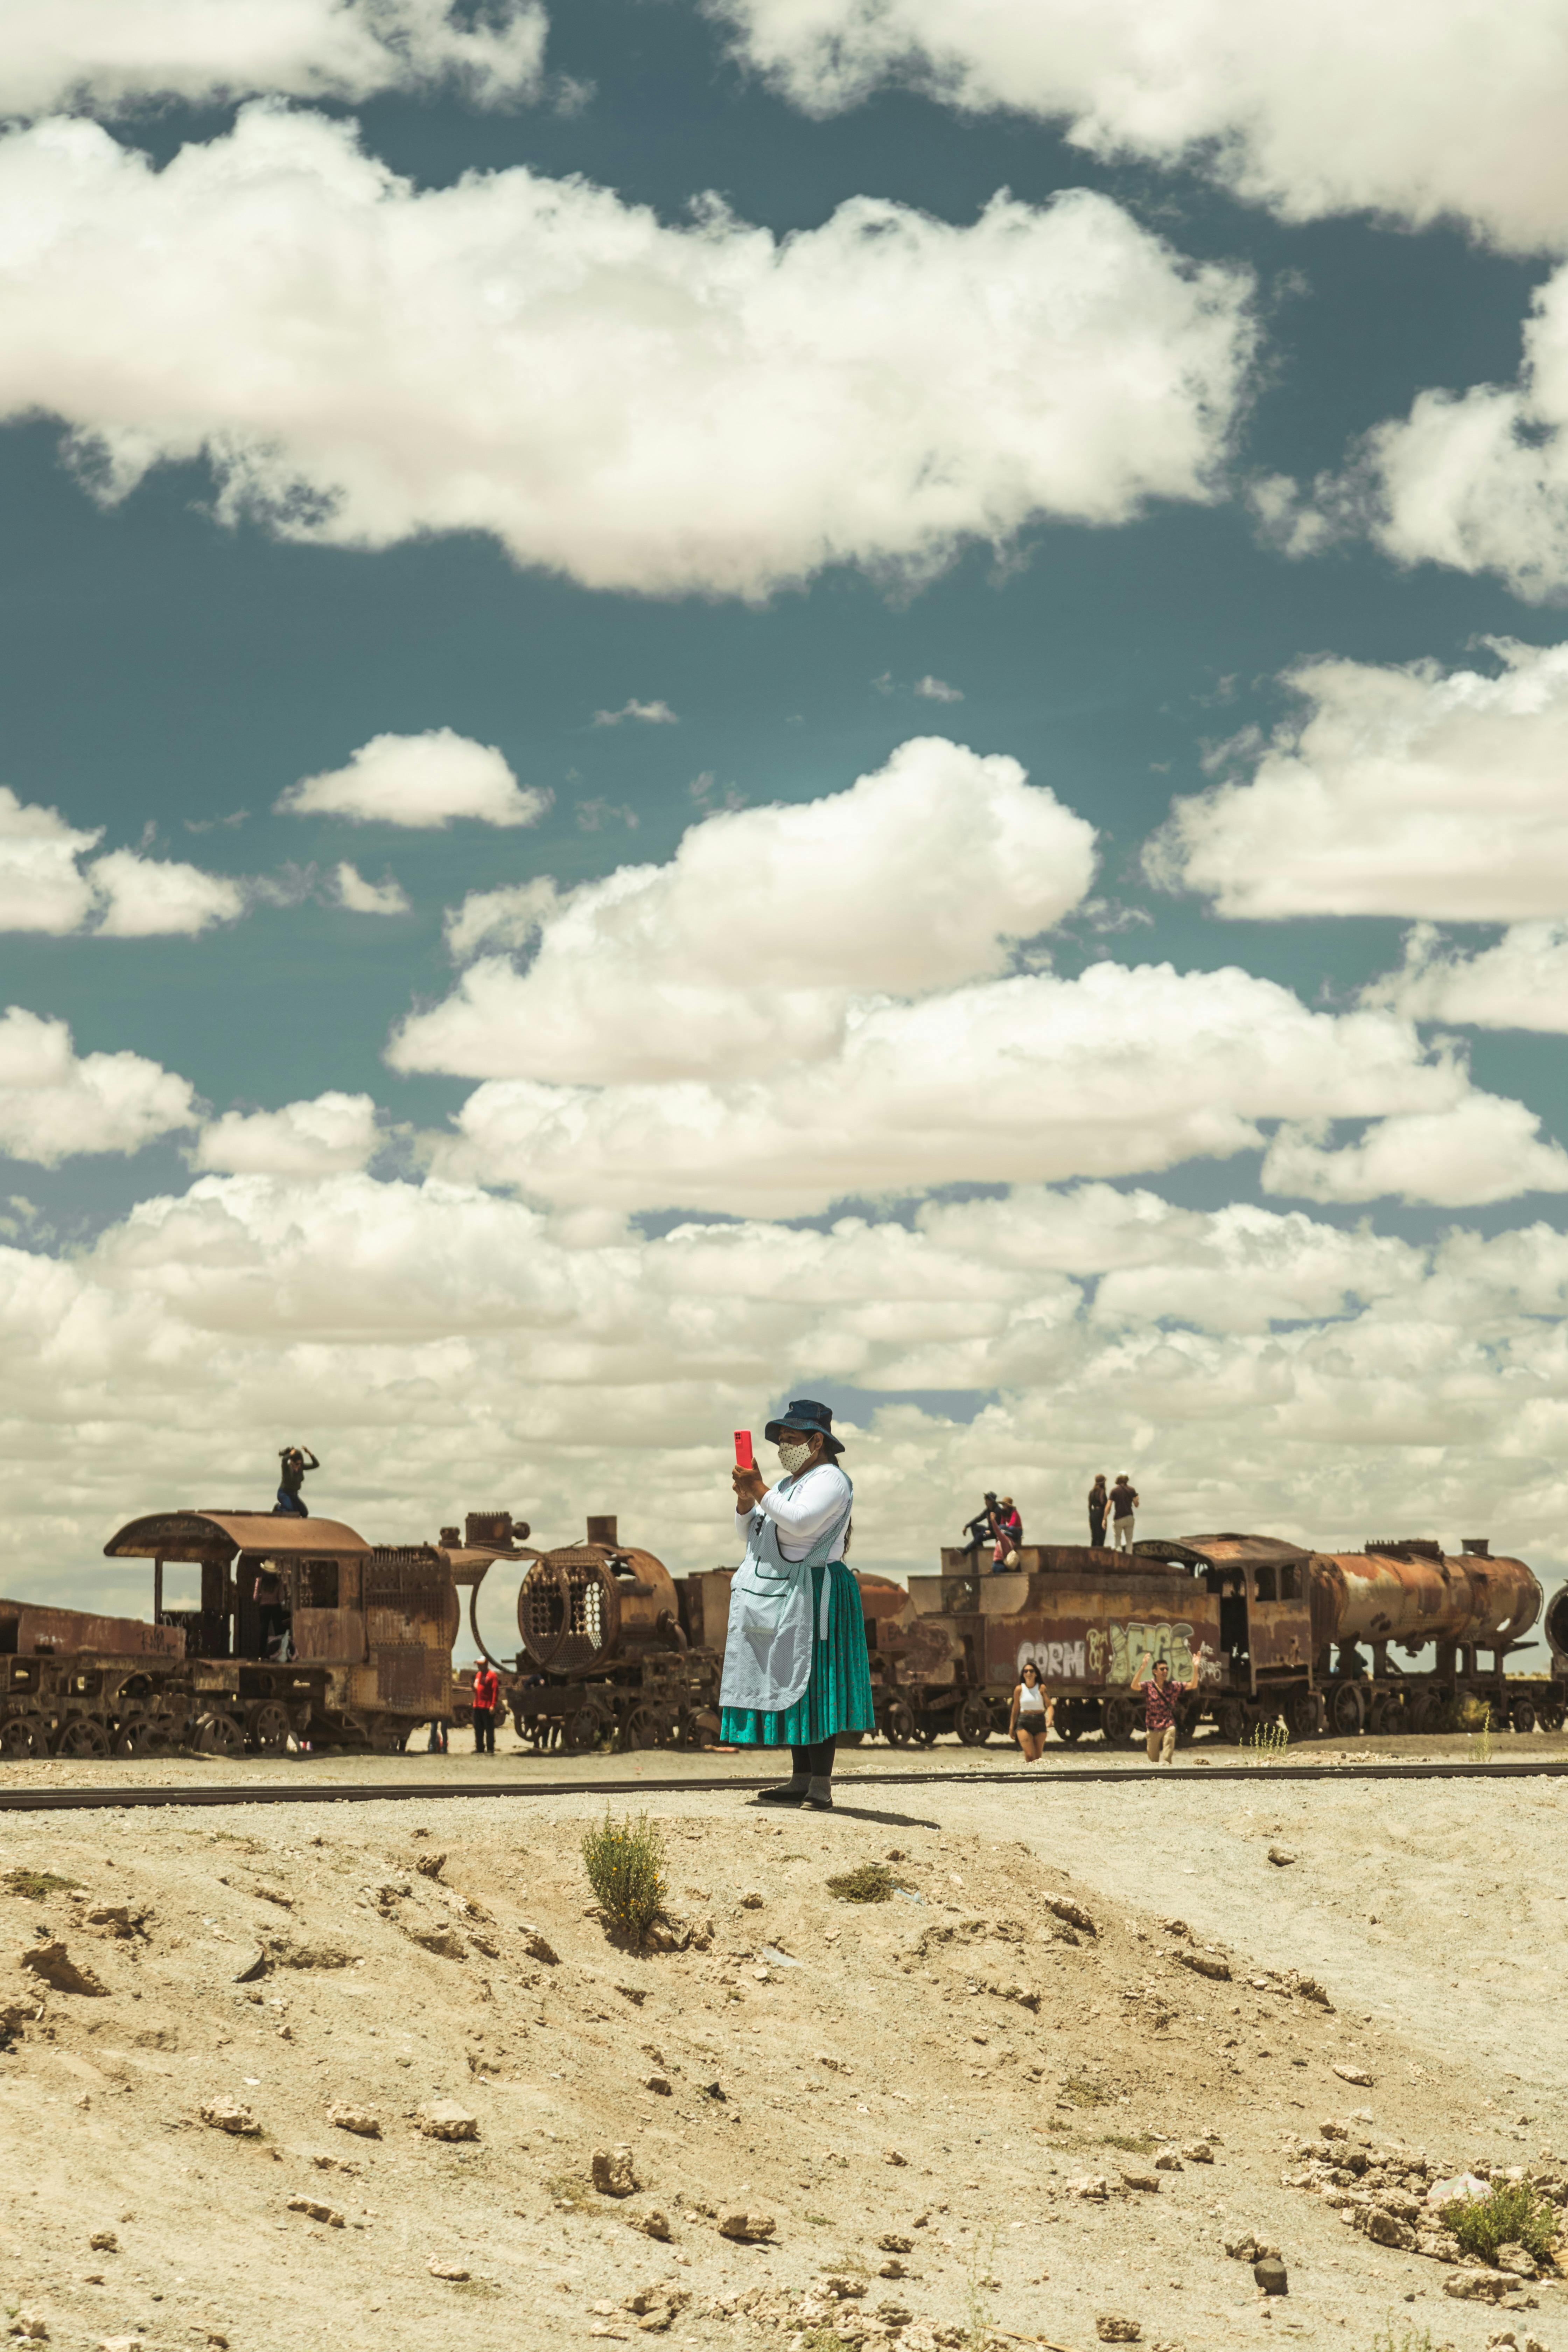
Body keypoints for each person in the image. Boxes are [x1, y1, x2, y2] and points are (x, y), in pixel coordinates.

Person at [720, 1398, 873, 1811]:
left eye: (790, 1439)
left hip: (816, 1591)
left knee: (816, 1681)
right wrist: (745, 1502)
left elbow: (800, 1523)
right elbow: (752, 1534)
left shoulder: (830, 1480)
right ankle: (800, 1779)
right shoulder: (787, 1485)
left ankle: (820, 1786)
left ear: (816, 1441)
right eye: (781, 1441)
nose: (783, 1447)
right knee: (792, 1681)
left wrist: (759, 1489)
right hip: (790, 1589)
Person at [1132, 1653, 1196, 1766]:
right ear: (1155, 1672)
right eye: (1162, 1669)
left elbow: (1193, 1685)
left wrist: (1196, 1668)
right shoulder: (1149, 1686)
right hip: (1152, 1728)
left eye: (1167, 1669)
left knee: (1167, 1758)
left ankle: (1167, 1770)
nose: (1165, 1671)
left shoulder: (1172, 1686)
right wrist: (1143, 1668)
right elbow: (1134, 1686)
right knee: (1153, 1761)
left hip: (1168, 1726)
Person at [1008, 1658, 1053, 1761]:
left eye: (1031, 1671)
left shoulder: (1042, 1688)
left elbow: (1050, 1706)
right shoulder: (1019, 1689)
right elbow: (1016, 1709)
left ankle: (1035, 1772)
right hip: (1024, 1722)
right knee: (1029, 1755)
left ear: (1036, 1674)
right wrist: (1011, 1727)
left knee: (1038, 1758)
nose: (1029, 1673)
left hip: (1040, 1721)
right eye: (1026, 1671)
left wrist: (1050, 1719)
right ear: (1023, 1674)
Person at [274, 1444, 319, 1518]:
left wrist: (309, 1453)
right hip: (284, 1493)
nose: (299, 1466)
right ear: (292, 1462)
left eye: (300, 1464)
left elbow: (316, 1465)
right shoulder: (286, 1468)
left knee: (304, 1513)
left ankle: (287, 1507)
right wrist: (291, 1453)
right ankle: (278, 1507)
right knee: (291, 1511)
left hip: (294, 1495)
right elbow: (284, 1459)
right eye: (297, 1464)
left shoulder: (301, 1467)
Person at [471, 1659, 500, 1754]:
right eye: (478, 1665)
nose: (479, 1666)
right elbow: (477, 1689)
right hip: (477, 1705)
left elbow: (495, 1691)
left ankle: (490, 1748)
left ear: (486, 1664)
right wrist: (473, 1688)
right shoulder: (478, 1675)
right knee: (478, 1729)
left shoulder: (492, 1675)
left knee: (489, 1729)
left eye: (481, 1665)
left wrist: (493, 1705)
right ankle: (480, 1748)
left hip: (487, 1706)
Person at [989, 1494, 1023, 1571]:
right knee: (1002, 1527)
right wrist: (1002, 1529)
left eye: (1004, 1505)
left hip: (1017, 1531)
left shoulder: (1014, 1512)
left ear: (1008, 1506)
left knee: (1010, 1528)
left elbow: (1013, 1523)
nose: (1003, 1506)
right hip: (1009, 1531)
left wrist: (1005, 1530)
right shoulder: (1004, 1513)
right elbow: (1002, 1523)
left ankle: (1008, 1535)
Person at [1109, 1472, 1139, 1553]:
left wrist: (1105, 1518)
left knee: (1118, 1538)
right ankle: (1129, 1556)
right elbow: (1136, 1505)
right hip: (1129, 1517)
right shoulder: (1132, 1490)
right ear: (1127, 1480)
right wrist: (1137, 1498)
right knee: (1129, 1540)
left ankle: (1119, 1555)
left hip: (1118, 1518)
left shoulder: (1114, 1491)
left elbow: (1109, 1505)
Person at [1087, 1474, 1109, 1548]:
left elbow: (1089, 1506)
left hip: (1093, 1514)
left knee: (1094, 1535)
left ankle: (1092, 1551)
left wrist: (1092, 1514)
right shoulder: (1102, 1491)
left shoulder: (1092, 1492)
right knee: (1101, 1535)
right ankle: (1100, 1551)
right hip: (1100, 1513)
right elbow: (1103, 1503)